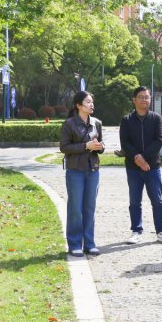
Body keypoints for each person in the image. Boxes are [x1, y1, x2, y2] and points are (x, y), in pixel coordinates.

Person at [119, 86, 162, 245]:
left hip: (152, 167)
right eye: (140, 97)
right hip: (133, 167)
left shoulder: (156, 118)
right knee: (135, 201)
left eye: (146, 97)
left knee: (157, 200)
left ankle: (161, 231)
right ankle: (136, 231)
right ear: (134, 100)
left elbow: (159, 141)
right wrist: (137, 158)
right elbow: (125, 143)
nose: (144, 100)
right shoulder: (127, 120)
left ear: (150, 100)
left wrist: (144, 158)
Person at [59, 91, 105, 257]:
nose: (91, 105)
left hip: (93, 170)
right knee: (75, 209)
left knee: (89, 208)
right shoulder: (69, 124)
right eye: (87, 102)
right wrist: (85, 146)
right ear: (78, 105)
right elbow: (64, 147)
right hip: (75, 171)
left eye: (92, 102)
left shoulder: (96, 123)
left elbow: (101, 144)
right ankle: (75, 244)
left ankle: (90, 244)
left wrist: (100, 147)